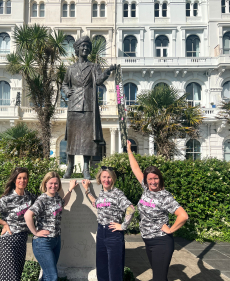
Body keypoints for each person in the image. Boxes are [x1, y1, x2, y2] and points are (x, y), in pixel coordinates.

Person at [126, 140, 189, 281]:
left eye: (156, 178)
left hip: (161, 242)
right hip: (148, 241)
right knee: (158, 276)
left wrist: (171, 230)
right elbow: (135, 168)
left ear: (160, 179)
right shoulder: (146, 188)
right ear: (146, 180)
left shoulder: (164, 196)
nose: (153, 182)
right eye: (150, 179)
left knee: (159, 278)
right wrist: (129, 149)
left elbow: (183, 216)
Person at [62, 35, 116, 179]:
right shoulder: (71, 69)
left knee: (87, 139)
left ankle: (86, 168)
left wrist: (107, 71)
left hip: (89, 106)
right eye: (82, 46)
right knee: (72, 138)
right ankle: (70, 167)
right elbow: (65, 84)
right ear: (77, 49)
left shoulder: (93, 66)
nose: (85, 48)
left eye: (87, 46)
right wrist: (67, 92)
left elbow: (98, 81)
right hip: (74, 106)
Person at [81, 167, 135, 281]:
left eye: (109, 177)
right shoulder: (102, 193)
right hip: (101, 233)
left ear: (113, 178)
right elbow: (96, 203)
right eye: (104, 177)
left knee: (115, 270)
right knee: (102, 268)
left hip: (113, 234)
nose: (106, 179)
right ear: (100, 178)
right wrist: (87, 190)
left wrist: (123, 226)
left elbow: (130, 208)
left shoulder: (117, 193)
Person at [0, 167, 36, 281]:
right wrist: (4, 223)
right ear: (14, 180)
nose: (22, 180)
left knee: (17, 274)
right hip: (9, 241)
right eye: (19, 178)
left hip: (22, 239)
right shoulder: (7, 199)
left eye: (25, 178)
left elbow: (44, 203)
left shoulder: (29, 197)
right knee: (10, 277)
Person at [24, 172, 78, 281]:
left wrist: (70, 189)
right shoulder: (42, 199)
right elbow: (27, 215)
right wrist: (35, 232)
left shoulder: (57, 197)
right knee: (52, 276)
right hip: (43, 243)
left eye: (56, 183)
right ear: (45, 184)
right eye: (51, 183)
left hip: (56, 241)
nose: (53, 186)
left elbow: (63, 203)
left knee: (47, 275)